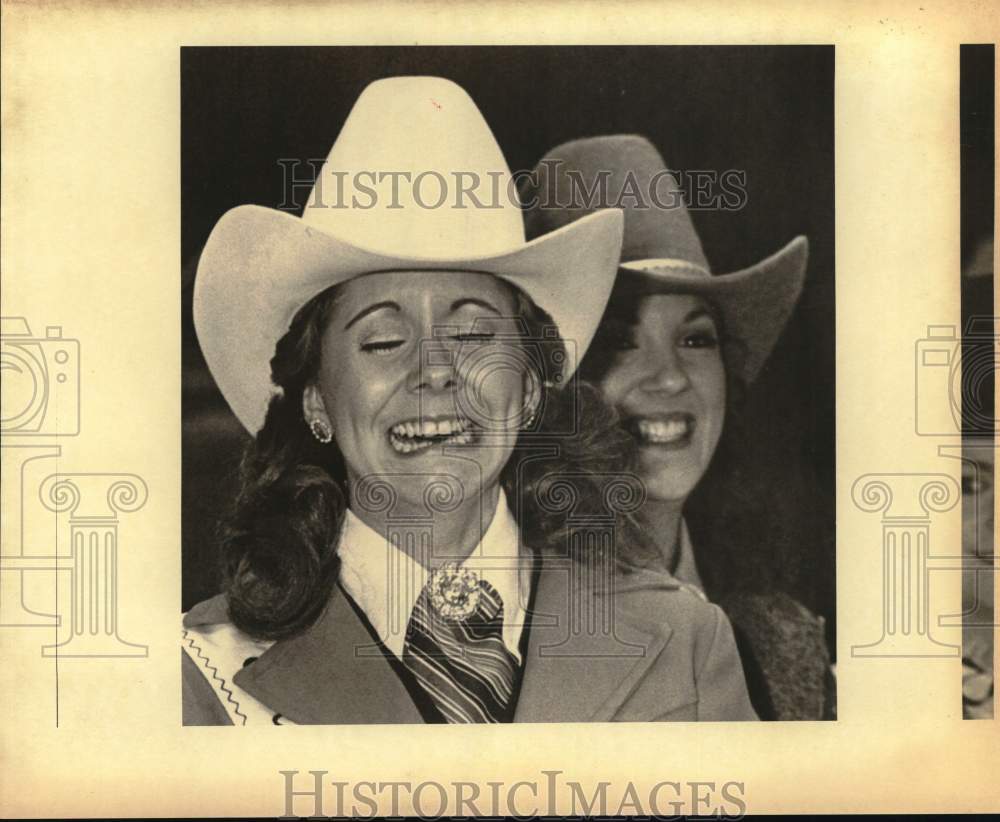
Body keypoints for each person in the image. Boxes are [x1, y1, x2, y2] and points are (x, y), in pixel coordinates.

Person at [181, 78, 757, 724]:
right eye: (384, 340)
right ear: (315, 401)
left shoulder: (684, 640)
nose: (435, 371)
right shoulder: (205, 674)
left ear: (530, 387)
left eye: (474, 335)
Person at [523, 135, 834, 720]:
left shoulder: (783, 638)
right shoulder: (503, 627)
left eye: (695, 339)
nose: (669, 378)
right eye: (619, 341)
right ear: (543, 384)